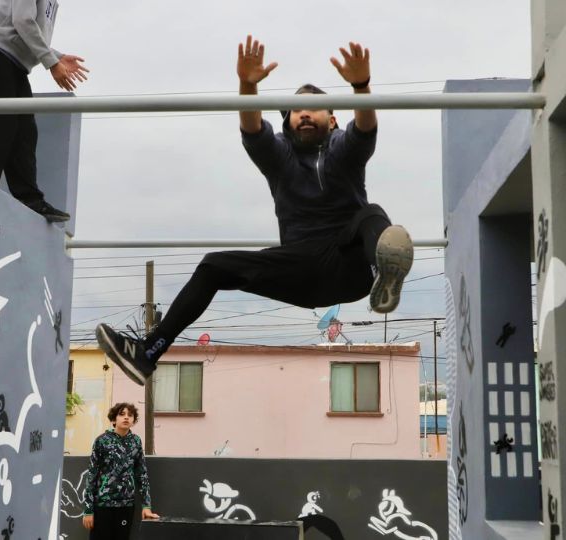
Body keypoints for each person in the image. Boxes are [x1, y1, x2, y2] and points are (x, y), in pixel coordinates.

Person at [95, 35, 413, 385]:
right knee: (213, 266)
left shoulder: (343, 150)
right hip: (300, 269)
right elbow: (253, 130)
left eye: (316, 109)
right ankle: (149, 352)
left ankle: (386, 271)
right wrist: (248, 85)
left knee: (372, 214)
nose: (305, 113)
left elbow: (365, 128)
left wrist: (360, 86)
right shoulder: (280, 156)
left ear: (334, 120)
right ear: (286, 122)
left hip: (352, 267)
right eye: (295, 110)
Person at [0, 0, 89, 223]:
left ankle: (30, 199)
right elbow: (22, 21)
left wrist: (56, 56)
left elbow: (29, 31)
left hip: (15, 61)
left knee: (25, 132)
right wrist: (51, 63)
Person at [82, 402, 159, 539]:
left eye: (130, 415)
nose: (126, 418)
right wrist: (88, 511)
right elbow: (92, 475)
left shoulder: (136, 442)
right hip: (103, 505)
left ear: (133, 421)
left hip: (126, 505)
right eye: (122, 414)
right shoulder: (102, 441)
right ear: (113, 419)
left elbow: (142, 474)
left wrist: (146, 506)